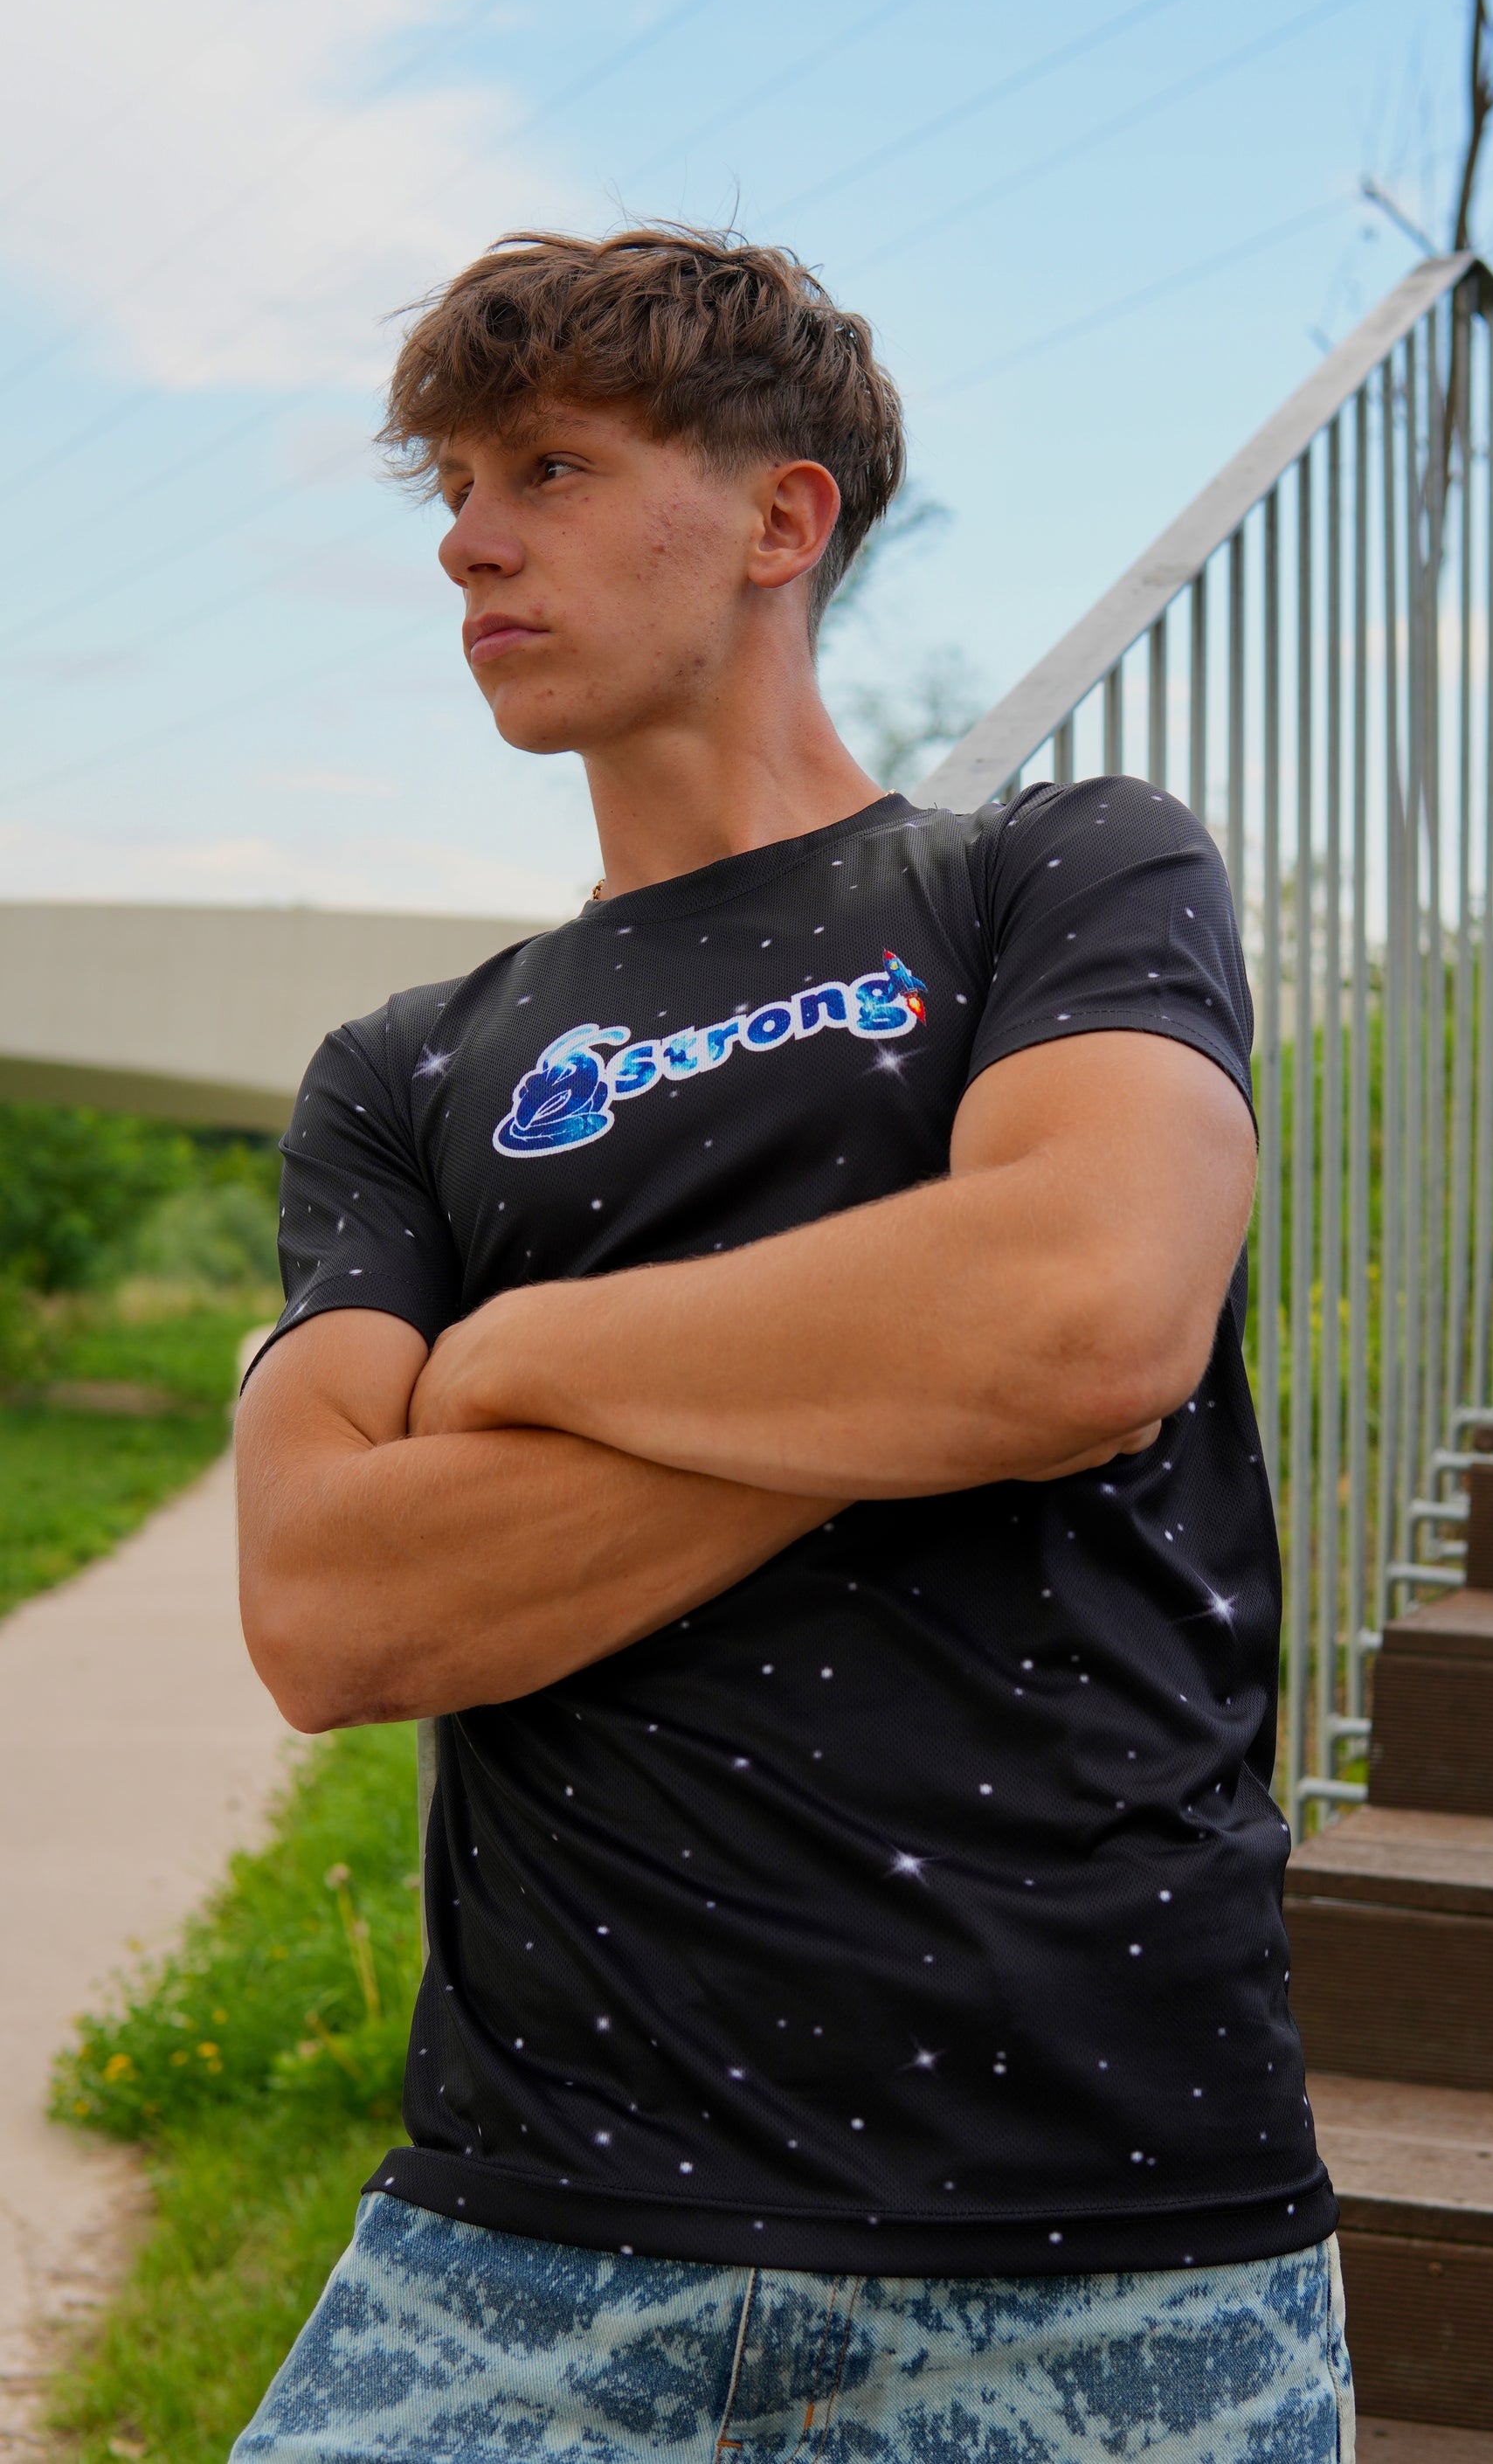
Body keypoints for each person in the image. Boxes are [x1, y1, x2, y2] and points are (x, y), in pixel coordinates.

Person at [231, 225, 1350, 2462]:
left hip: (1106, 2243)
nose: (468, 542)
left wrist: (515, 1353)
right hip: (521, 2233)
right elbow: (333, 1602)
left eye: (547, 467)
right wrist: (907, 1364)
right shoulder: (406, 1065)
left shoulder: (1054, 878)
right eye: (455, 486)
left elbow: (1083, 1311)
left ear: (780, 516)